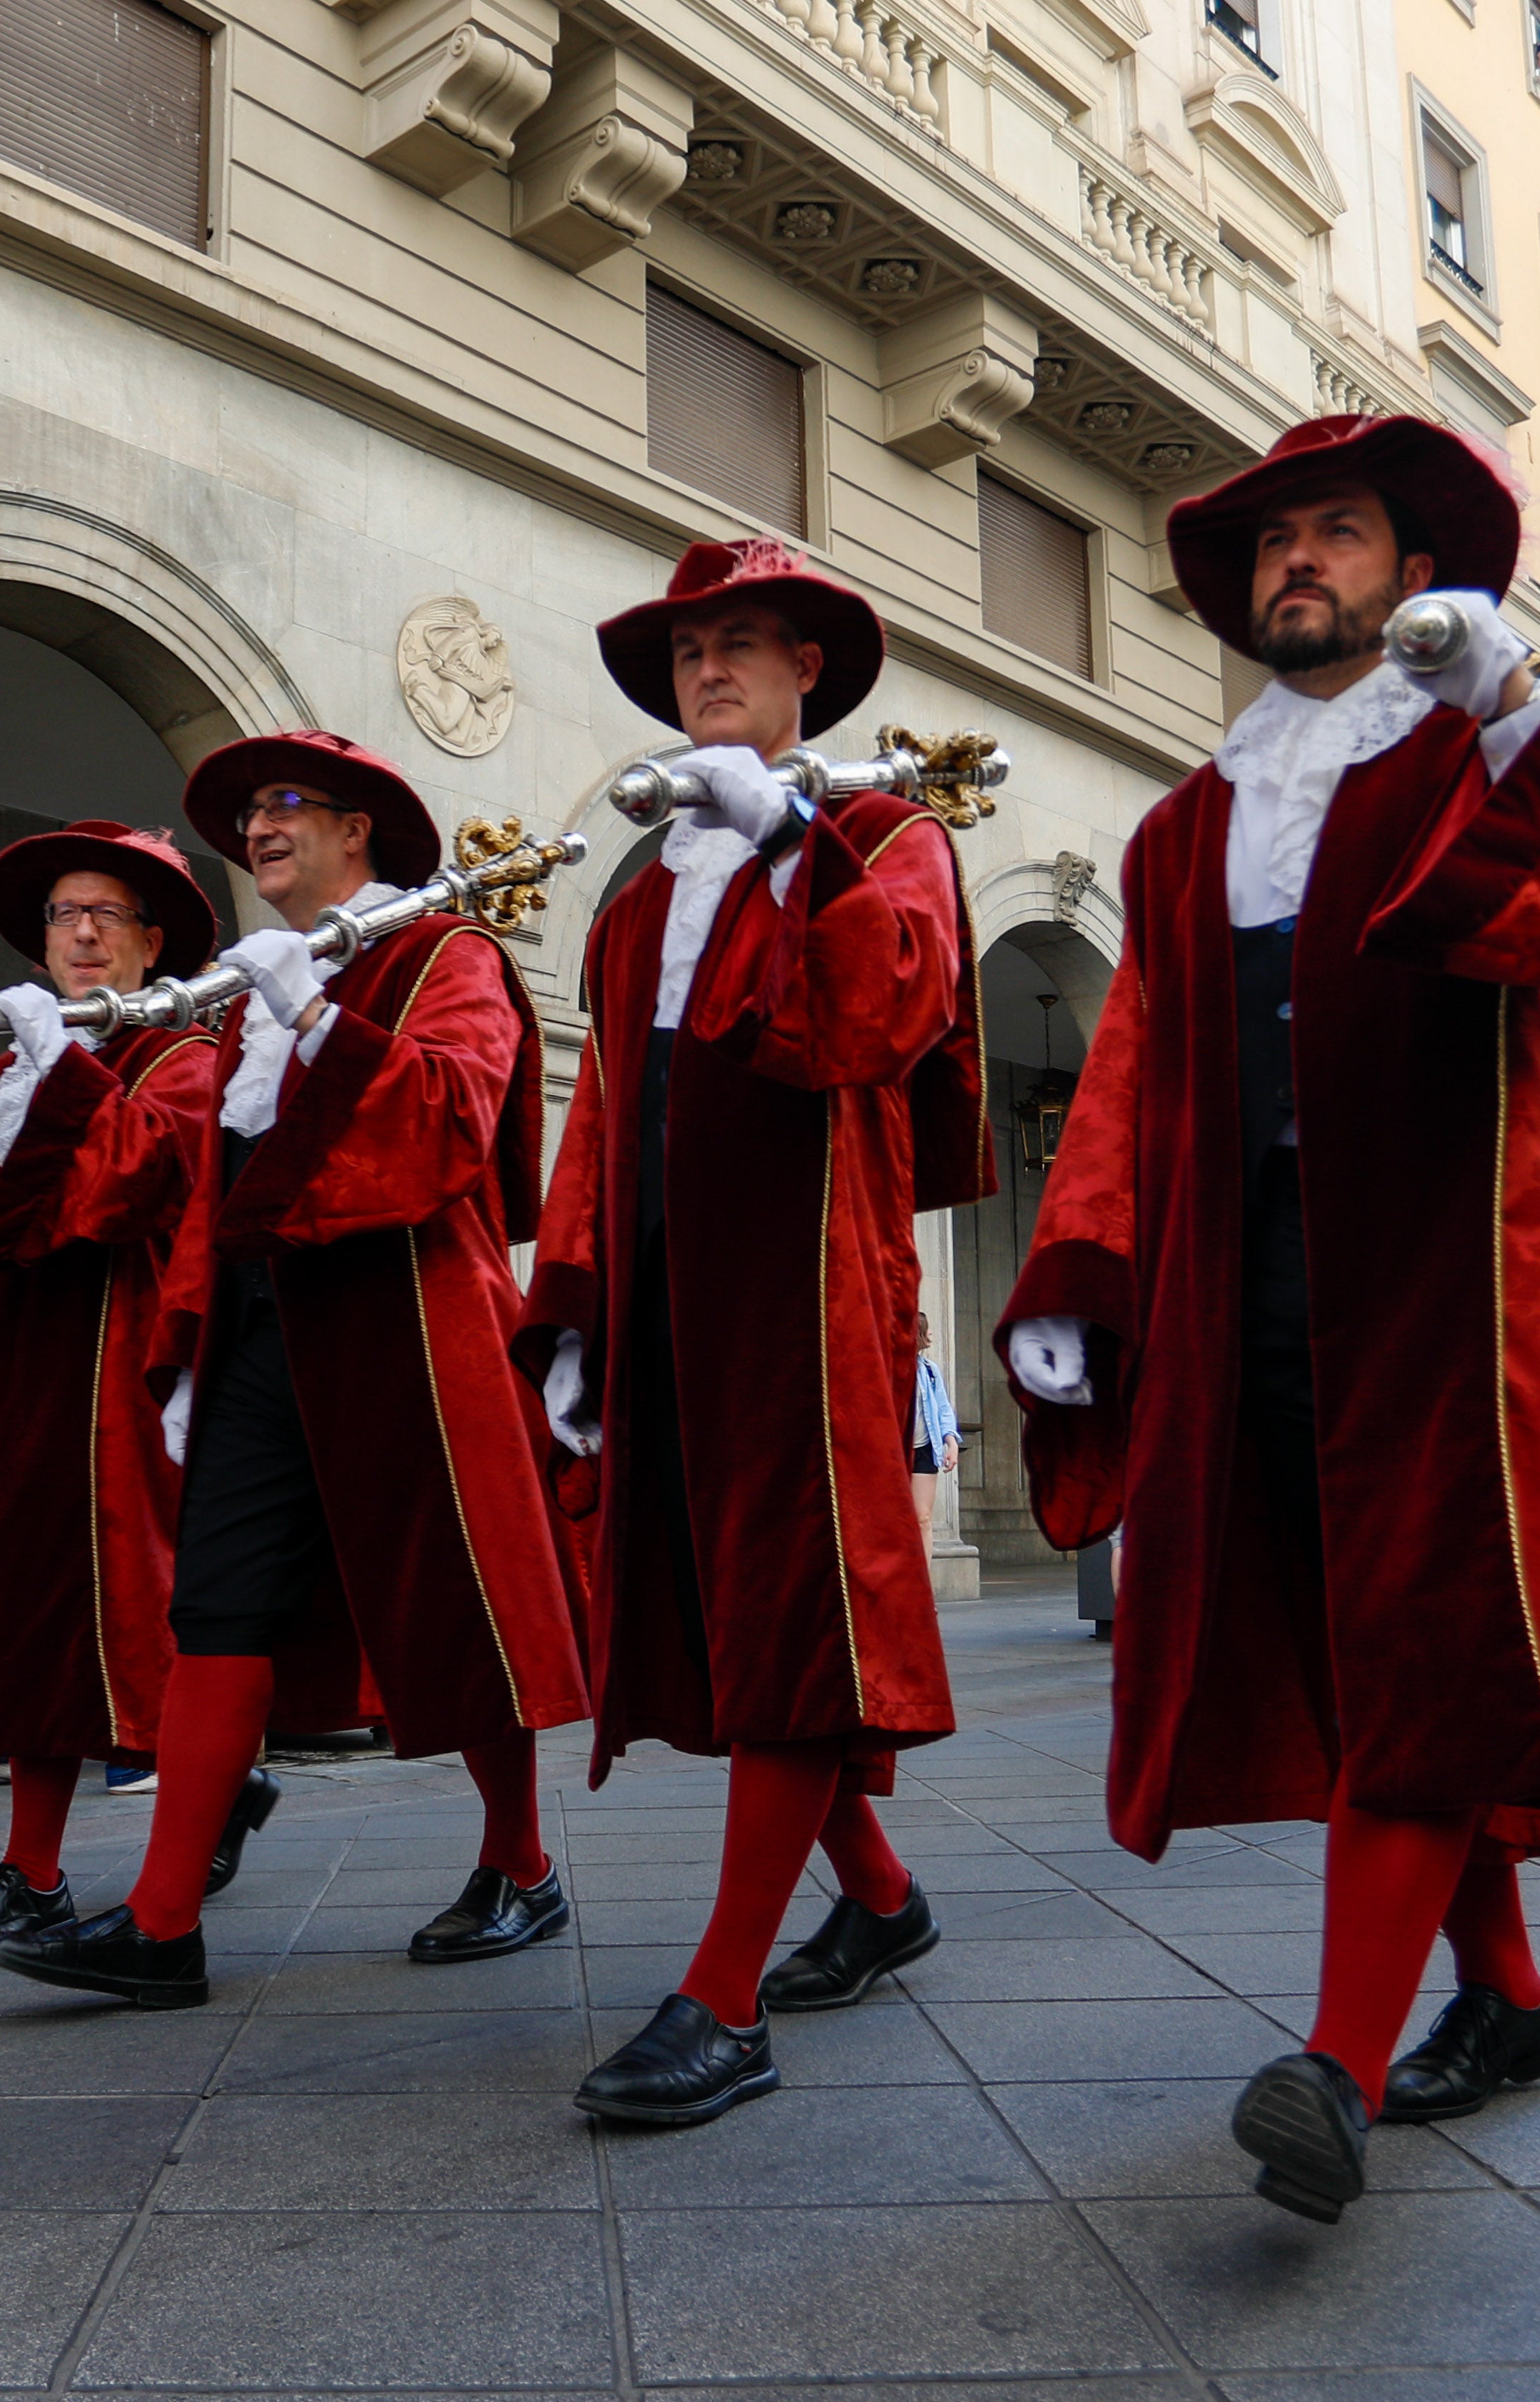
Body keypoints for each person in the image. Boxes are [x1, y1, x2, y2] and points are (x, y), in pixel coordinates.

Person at [998, 413, 1540, 2222]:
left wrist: (1524, 711)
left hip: (1452, 1275)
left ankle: (1338, 2055)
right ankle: (1512, 1999)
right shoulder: (1190, 822)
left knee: (1425, 1624)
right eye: (1273, 540)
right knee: (1344, 1631)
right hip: (1252, 1276)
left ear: (1412, 571)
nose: (1296, 559)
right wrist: (1081, 1260)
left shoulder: (1478, 752)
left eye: (1335, 530)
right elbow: (1136, 1056)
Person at [0, 731, 593, 2010]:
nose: (258, 824)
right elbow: (189, 1183)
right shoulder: (243, 992)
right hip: (263, 1333)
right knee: (220, 1607)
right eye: (248, 809)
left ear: (357, 829)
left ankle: (519, 1860)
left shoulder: (444, 954)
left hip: (403, 1323)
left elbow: (453, 1121)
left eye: (285, 803)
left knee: (449, 1604)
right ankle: (160, 1924)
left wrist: (316, 1016)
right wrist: (191, 1332)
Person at [526, 536, 988, 2127]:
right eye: (686, 652)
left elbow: (878, 1017)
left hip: (803, 1286)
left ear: (809, 673)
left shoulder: (883, 833)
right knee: (722, 1611)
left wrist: (800, 843)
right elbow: (605, 1120)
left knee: (791, 1606)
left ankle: (723, 1995)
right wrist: (575, 1306)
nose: (706, 670)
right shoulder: (643, 887)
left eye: (739, 645)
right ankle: (878, 1894)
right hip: (663, 1285)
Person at [0, 821, 259, 1965]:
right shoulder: (14, 1067)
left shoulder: (183, 1061)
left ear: (151, 944)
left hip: (118, 1381)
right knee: (30, 1624)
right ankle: (36, 1870)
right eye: (61, 915)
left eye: (107, 915)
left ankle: (204, 1803)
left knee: (132, 1621)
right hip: (20, 1377)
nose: (81, 933)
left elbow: (128, 1189)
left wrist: (65, 1073)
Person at [910, 1314, 963, 1551]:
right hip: (891, 1453)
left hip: (923, 1448)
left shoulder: (930, 1371)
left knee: (923, 1518)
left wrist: (951, 1442)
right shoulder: (886, 1370)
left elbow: (943, 1409)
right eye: (927, 1330)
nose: (931, 1334)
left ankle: (922, 1584)